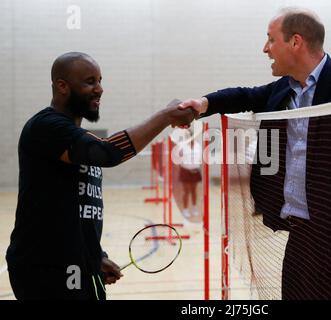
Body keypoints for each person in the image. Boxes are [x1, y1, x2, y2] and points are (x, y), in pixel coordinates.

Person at [179, 8, 331, 299]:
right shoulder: (283, 90)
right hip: (300, 234)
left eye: (271, 40)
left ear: (295, 42)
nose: (265, 49)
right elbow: (245, 95)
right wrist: (203, 104)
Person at [6, 52, 197, 300]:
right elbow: (107, 152)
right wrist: (166, 116)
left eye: (99, 80)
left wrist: (96, 256)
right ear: (62, 86)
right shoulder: (46, 127)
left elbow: (77, 209)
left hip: (79, 266)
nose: (100, 89)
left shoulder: (74, 136)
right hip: (45, 269)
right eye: (89, 82)